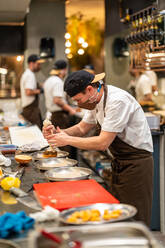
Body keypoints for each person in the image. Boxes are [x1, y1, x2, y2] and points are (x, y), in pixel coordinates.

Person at [43, 70, 153, 226]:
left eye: (78, 99)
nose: (78, 104)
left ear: (89, 89)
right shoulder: (95, 100)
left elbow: (103, 142)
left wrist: (67, 140)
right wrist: (58, 133)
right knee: (119, 214)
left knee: (134, 218)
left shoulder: (117, 101)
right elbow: (82, 129)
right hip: (120, 162)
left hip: (136, 164)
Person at [44, 59, 76, 129]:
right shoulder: (58, 82)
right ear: (63, 70)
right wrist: (70, 109)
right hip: (58, 116)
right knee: (61, 136)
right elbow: (57, 100)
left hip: (51, 114)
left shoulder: (48, 80)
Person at [20, 54, 44, 129]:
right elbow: (28, 92)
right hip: (30, 110)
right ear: (31, 63)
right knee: (36, 134)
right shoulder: (29, 75)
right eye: (38, 64)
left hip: (30, 109)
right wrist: (40, 91)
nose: (40, 66)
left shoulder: (29, 74)